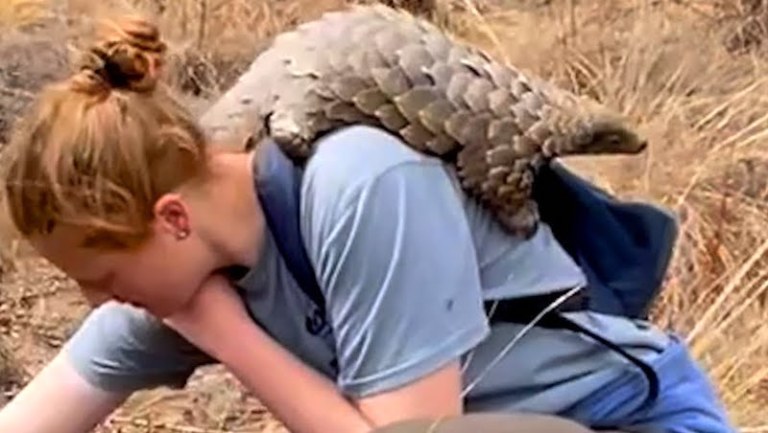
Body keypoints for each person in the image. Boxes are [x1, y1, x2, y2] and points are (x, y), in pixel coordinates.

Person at [0, 14, 735, 433]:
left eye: (102, 276)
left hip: (626, 418)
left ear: (171, 219)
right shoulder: (174, 278)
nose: (100, 300)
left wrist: (225, 333)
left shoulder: (364, 185)